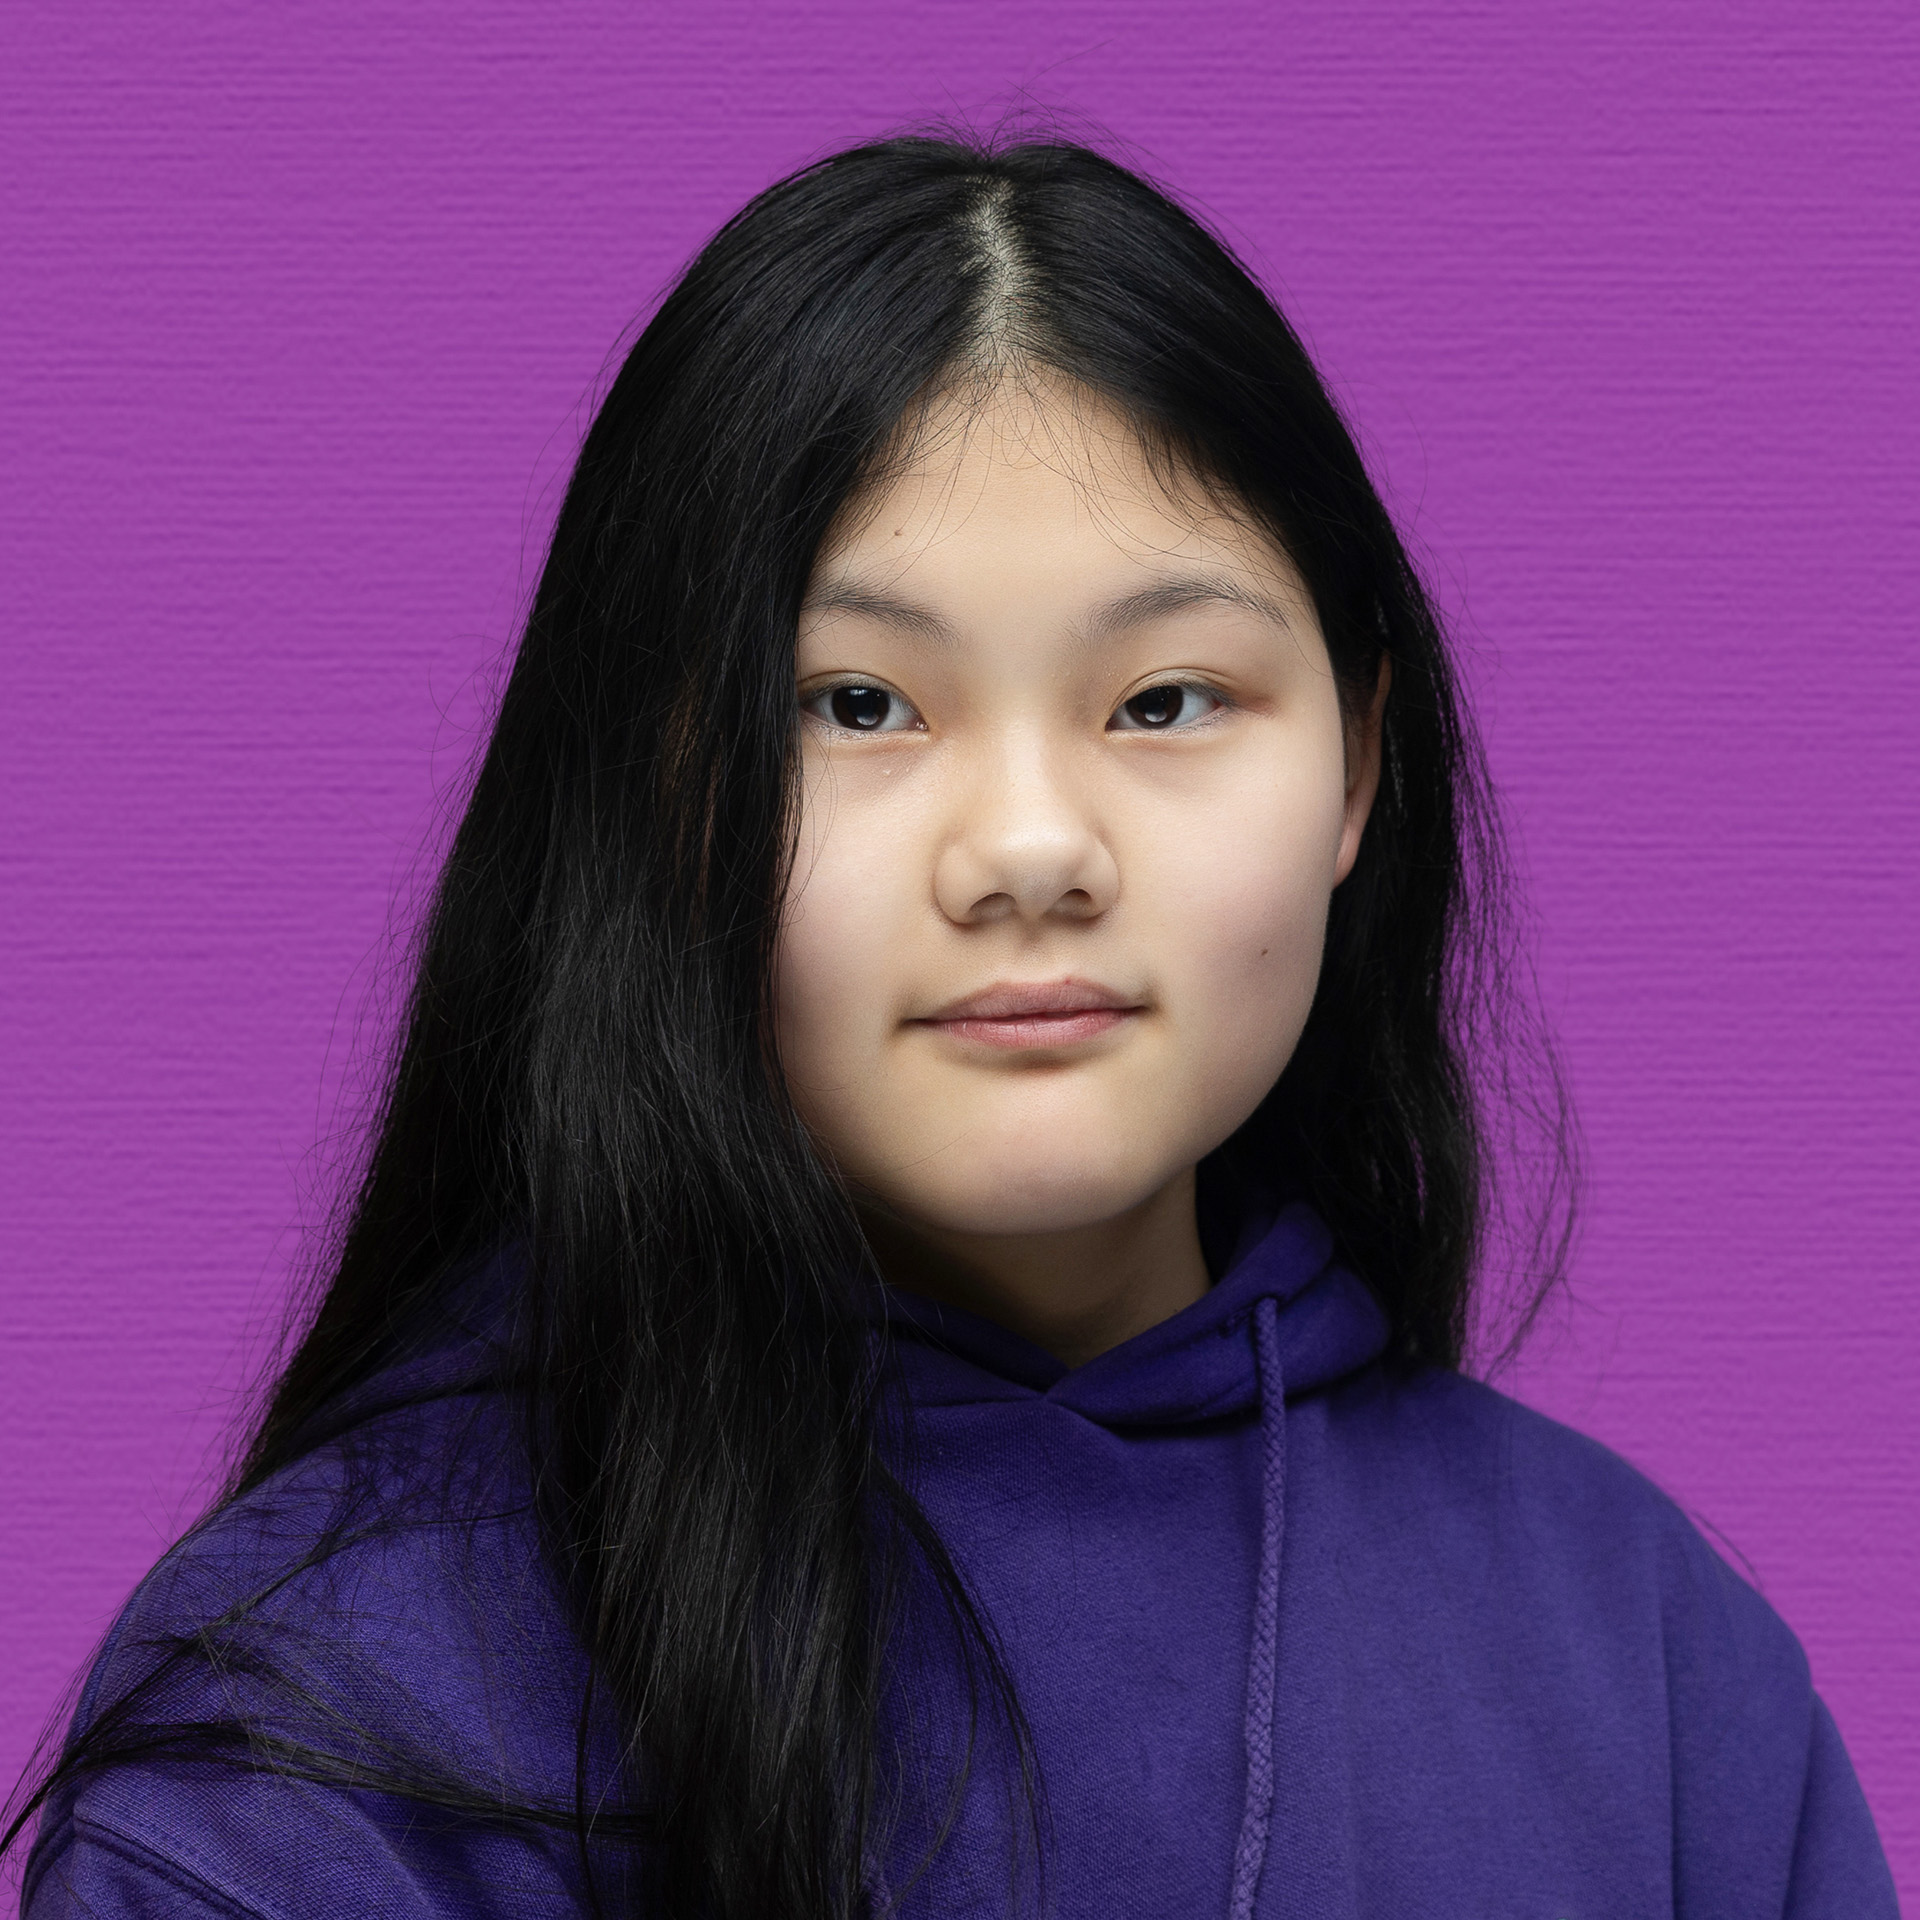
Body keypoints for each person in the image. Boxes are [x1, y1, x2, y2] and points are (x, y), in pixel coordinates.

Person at [10, 135, 1897, 1920]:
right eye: (854, 704)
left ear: (1358, 770)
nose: (1028, 849)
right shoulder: (324, 1724)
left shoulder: (1650, 1662)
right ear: (655, 799)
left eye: (1165, 701)